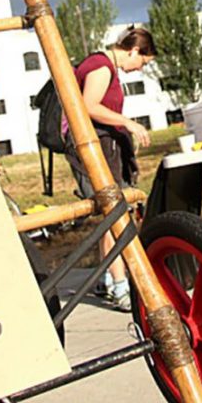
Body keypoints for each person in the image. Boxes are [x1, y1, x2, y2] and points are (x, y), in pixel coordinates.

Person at [63, 27, 156, 311]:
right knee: (114, 213)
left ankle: (108, 279)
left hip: (102, 146)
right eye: (143, 62)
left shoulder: (107, 67)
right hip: (93, 147)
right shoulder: (101, 67)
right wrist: (128, 122)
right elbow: (89, 106)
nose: (139, 68)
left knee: (112, 214)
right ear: (134, 50)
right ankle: (119, 285)